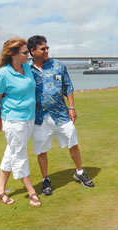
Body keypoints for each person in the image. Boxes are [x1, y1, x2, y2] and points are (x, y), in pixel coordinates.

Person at [27, 35, 95, 196]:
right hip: (39, 117)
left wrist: (72, 107)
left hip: (62, 115)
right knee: (41, 150)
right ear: (32, 51)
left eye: (47, 47)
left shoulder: (58, 65)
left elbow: (68, 87)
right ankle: (46, 180)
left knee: (73, 143)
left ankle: (79, 173)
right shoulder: (26, 70)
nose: (47, 50)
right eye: (43, 48)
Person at [0, 37, 41, 207]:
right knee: (20, 156)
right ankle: (31, 192)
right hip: (14, 120)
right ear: (13, 54)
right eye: (25, 52)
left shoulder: (26, 67)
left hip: (29, 118)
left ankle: (0, 191)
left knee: (10, 153)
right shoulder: (2, 74)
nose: (29, 55)